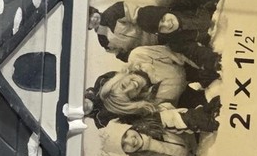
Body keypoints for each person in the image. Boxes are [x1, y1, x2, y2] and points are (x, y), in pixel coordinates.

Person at [84, 44, 221, 132]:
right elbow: (170, 116)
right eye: (129, 95)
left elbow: (177, 53)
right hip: (184, 97)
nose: (132, 87)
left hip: (188, 66)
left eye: (124, 85)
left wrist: (207, 63)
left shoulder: (139, 56)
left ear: (119, 78)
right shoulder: (148, 103)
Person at [88, 3, 157, 62]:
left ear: (94, 10)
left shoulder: (114, 11)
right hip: (147, 53)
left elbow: (140, 15)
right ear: (88, 28)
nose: (93, 19)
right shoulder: (103, 40)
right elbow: (118, 53)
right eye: (88, 22)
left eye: (91, 15)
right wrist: (131, 57)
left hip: (154, 33)